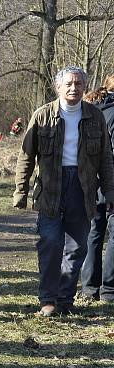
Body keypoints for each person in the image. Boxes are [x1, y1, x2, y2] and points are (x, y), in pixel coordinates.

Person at [15, 67, 114, 316]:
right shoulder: (42, 115)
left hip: (83, 188)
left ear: (85, 86)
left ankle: (65, 299)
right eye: (68, 84)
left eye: (79, 83)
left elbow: (105, 158)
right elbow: (26, 156)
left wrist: (110, 192)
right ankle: (48, 299)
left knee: (78, 246)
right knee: (50, 242)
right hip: (50, 187)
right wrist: (21, 191)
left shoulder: (95, 116)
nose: (74, 88)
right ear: (58, 87)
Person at [79, 76, 114, 303]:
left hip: (91, 179)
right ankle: (110, 290)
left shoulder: (90, 107)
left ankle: (90, 287)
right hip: (110, 180)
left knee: (94, 232)